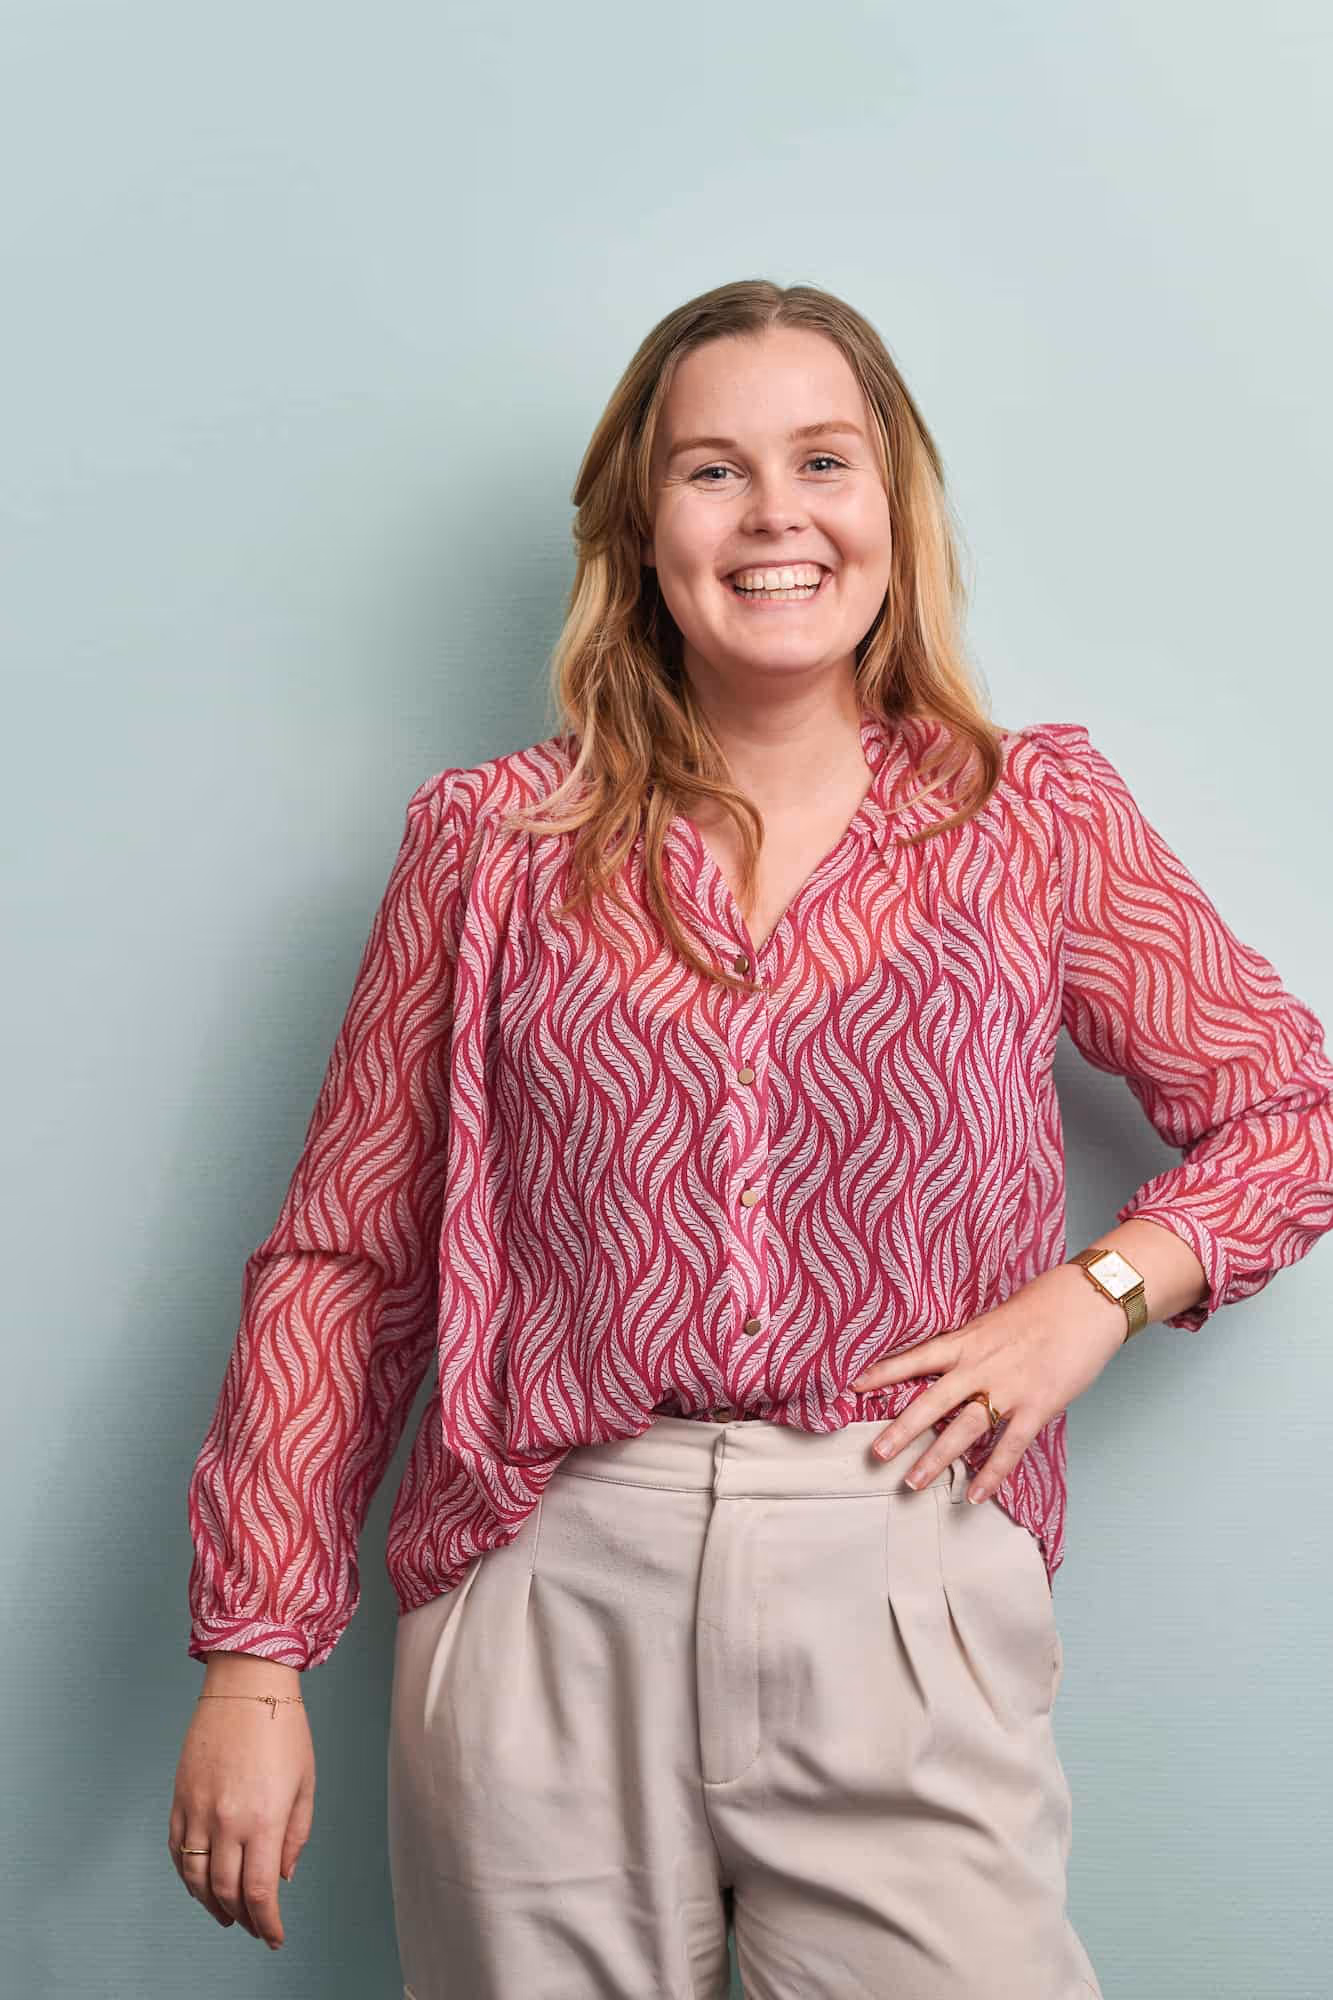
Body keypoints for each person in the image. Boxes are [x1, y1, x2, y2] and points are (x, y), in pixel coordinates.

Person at [169, 278, 1333, 1997]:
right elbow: (349, 1258)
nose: (776, 515)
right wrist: (253, 1665)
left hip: (902, 1565)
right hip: (547, 1588)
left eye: (823, 461)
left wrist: (1096, 1291)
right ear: (641, 531)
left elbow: (1292, 1112)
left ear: (893, 508)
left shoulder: (1031, 820)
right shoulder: (490, 847)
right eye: (714, 472)